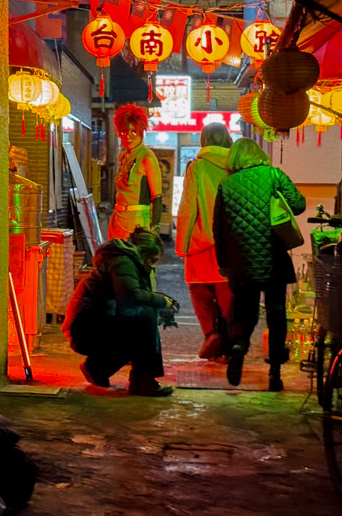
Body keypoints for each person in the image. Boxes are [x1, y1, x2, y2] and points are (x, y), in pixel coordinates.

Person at [213, 138, 306, 391]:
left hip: (241, 262)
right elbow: (298, 205)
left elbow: (218, 229)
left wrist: (223, 262)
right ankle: (275, 372)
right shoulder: (274, 175)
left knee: (244, 311)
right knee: (276, 312)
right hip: (273, 257)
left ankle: (238, 347)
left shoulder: (227, 185)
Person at [61, 227, 179, 397]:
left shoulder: (124, 260)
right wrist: (162, 301)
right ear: (143, 253)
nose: (152, 265)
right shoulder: (124, 262)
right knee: (144, 317)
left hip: (90, 323)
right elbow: (130, 297)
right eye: (152, 260)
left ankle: (98, 367)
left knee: (142, 321)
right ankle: (142, 380)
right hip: (85, 329)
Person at [175, 122, 234, 361]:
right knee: (227, 292)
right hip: (231, 241)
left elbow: (188, 206)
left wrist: (183, 243)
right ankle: (231, 343)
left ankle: (211, 334)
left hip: (201, 239)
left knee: (200, 290)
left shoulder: (197, 167)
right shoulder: (237, 166)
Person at [107, 104, 162, 240]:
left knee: (135, 259)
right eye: (124, 132)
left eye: (133, 132)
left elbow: (157, 197)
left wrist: (154, 229)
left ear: (141, 132)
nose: (128, 137)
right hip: (117, 216)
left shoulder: (147, 157)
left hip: (137, 219)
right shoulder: (124, 156)